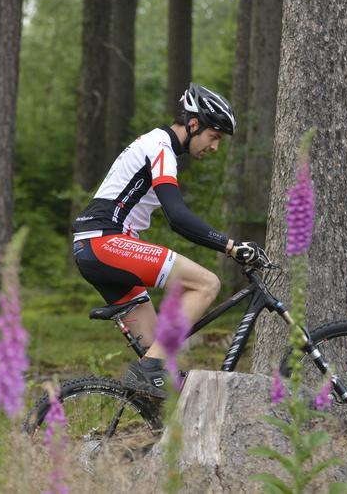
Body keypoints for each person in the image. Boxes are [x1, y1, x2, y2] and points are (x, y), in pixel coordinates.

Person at [71, 83, 265, 398]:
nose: (215, 147)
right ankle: (149, 375)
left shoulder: (156, 145)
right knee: (206, 284)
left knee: (160, 369)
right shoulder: (160, 146)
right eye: (214, 137)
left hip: (93, 248)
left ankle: (155, 430)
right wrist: (231, 246)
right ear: (193, 125)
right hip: (104, 243)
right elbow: (177, 216)